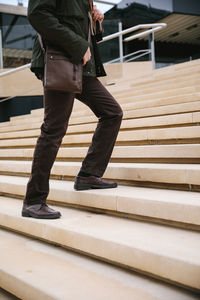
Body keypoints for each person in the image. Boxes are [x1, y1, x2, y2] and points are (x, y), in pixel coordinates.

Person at [22, 0, 123, 219]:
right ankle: (34, 200)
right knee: (54, 129)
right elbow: (38, 15)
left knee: (112, 112)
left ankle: (88, 174)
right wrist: (78, 45)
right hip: (60, 61)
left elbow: (76, 25)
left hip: (81, 66)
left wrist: (94, 19)